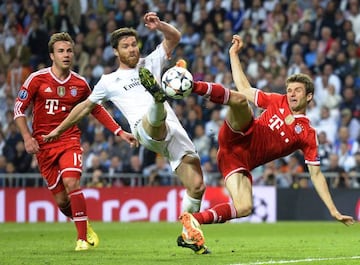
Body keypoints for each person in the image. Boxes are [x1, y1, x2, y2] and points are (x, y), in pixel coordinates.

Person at [42, 13, 208, 254]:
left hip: (174, 130)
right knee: (154, 116)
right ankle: (158, 100)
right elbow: (84, 108)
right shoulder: (109, 81)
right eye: (126, 46)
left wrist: (160, 26)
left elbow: (175, 37)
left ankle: (188, 235)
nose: (132, 49)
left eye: (133, 45)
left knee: (197, 185)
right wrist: (58, 129)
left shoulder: (151, 62)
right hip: (145, 128)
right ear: (115, 52)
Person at [178, 35, 354, 251]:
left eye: (297, 90)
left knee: (244, 207)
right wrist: (233, 54)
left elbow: (316, 175)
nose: (291, 94)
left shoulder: (307, 134)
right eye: (289, 90)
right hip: (240, 133)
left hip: (235, 160)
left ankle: (193, 221)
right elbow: (244, 88)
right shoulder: (277, 100)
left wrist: (333, 210)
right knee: (242, 100)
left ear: (309, 97)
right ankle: (191, 84)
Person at [13, 32, 137, 251]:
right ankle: (83, 224)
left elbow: (96, 109)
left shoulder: (80, 83)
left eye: (69, 50)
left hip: (69, 140)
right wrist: (26, 136)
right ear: (52, 55)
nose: (66, 55)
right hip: (43, 145)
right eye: (61, 51)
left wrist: (119, 131)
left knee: (72, 183)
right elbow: (19, 108)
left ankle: (81, 239)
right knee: (62, 201)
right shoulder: (36, 79)